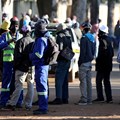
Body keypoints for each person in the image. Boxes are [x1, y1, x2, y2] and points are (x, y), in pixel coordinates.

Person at [6, 24, 34, 110]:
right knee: (31, 85)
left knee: (19, 85)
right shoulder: (33, 41)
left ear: (22, 32)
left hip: (21, 67)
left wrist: (16, 66)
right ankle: (28, 104)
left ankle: (12, 103)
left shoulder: (20, 42)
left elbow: (17, 56)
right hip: (31, 67)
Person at [29, 19, 50, 115]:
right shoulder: (44, 38)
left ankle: (43, 108)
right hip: (42, 66)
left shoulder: (41, 40)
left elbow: (38, 54)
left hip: (41, 66)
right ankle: (43, 106)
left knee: (41, 87)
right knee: (42, 86)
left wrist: (29, 55)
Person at [49, 23, 72, 105]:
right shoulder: (69, 36)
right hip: (67, 59)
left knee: (58, 80)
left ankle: (58, 98)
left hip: (62, 60)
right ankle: (65, 98)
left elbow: (60, 48)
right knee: (65, 80)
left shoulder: (60, 36)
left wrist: (55, 58)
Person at [75, 22, 96, 105]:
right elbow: (94, 51)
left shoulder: (84, 38)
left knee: (83, 82)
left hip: (83, 63)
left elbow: (82, 52)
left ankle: (84, 99)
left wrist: (80, 62)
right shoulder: (92, 38)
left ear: (84, 29)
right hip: (90, 62)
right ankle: (89, 99)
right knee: (88, 82)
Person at [93, 25, 114, 103]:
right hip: (108, 65)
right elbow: (111, 53)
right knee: (106, 81)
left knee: (99, 81)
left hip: (103, 65)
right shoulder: (109, 40)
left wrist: (98, 61)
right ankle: (109, 98)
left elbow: (103, 54)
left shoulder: (103, 41)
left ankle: (101, 97)